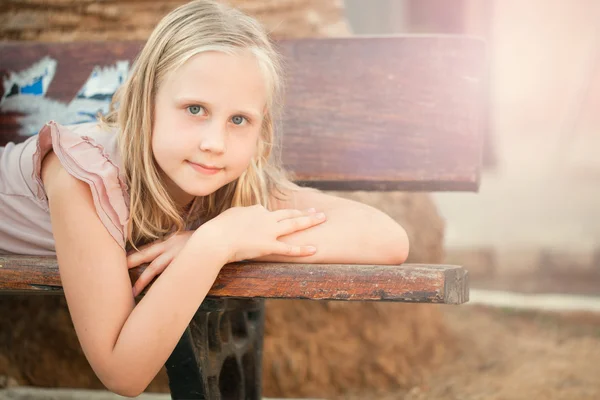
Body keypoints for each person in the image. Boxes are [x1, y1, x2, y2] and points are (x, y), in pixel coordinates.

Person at [0, 0, 409, 396]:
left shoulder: (231, 183)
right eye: (195, 109)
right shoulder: (84, 175)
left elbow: (387, 238)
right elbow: (121, 371)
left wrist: (226, 238)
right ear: (147, 101)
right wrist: (213, 244)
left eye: (238, 120)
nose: (215, 142)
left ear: (260, 129)